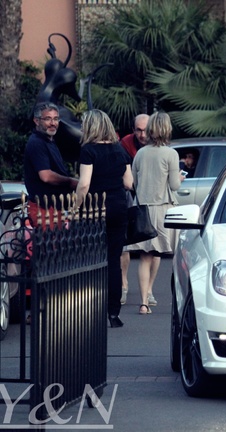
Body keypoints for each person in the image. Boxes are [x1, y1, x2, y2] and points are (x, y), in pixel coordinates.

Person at [75, 109, 133, 328]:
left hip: (95, 208)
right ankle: (113, 312)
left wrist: (75, 207)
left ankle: (91, 308)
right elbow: (129, 183)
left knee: (91, 258)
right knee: (114, 259)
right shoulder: (120, 150)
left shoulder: (88, 150)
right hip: (118, 206)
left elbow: (84, 184)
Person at [127, 112, 183, 315]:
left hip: (143, 210)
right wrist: (179, 177)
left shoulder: (141, 153)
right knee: (158, 253)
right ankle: (150, 291)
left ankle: (143, 302)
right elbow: (175, 185)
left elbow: (134, 182)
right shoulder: (171, 154)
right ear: (167, 129)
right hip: (162, 210)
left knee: (144, 256)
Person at [23, 102, 78, 228]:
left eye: (56, 119)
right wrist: (71, 182)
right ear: (36, 121)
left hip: (53, 207)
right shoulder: (37, 143)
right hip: (43, 208)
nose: (53, 123)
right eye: (48, 119)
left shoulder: (49, 141)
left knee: (55, 245)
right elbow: (46, 176)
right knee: (48, 246)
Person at [119, 114, 149, 306]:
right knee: (125, 243)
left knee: (151, 247)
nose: (142, 134)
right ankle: (123, 284)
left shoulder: (157, 144)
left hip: (149, 195)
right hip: (129, 193)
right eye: (138, 129)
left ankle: (149, 290)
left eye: (145, 129)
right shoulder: (125, 143)